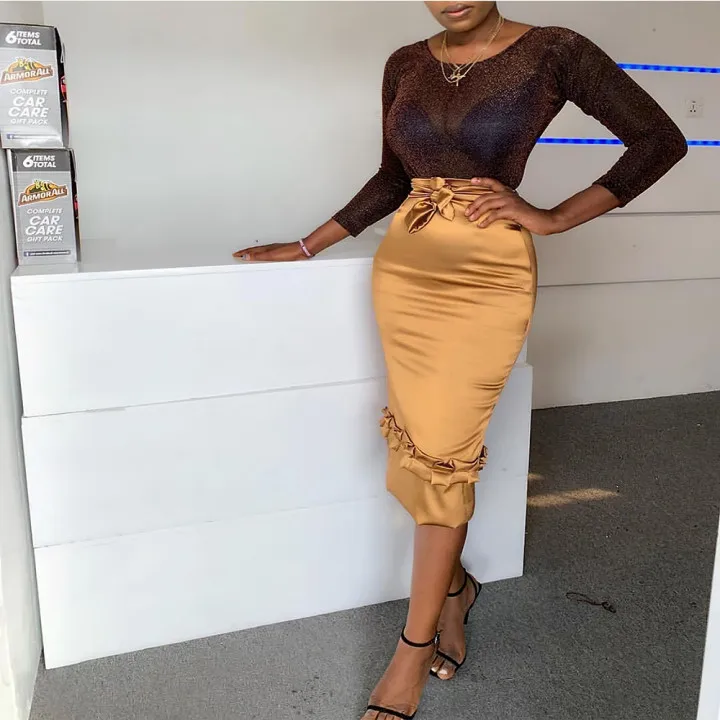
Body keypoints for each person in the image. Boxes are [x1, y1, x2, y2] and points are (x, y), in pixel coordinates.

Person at [234, 2, 687, 718]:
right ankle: (455, 588)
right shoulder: (405, 63)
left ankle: (411, 652)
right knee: (417, 452)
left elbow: (660, 140)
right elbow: (393, 176)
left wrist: (553, 217)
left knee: (445, 450)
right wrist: (307, 244)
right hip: (406, 271)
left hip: (485, 277)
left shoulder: (554, 50)